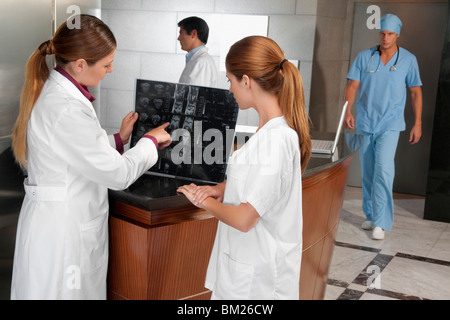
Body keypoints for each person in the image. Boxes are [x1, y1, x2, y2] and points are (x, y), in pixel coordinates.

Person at [10, 14, 172, 300]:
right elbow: (118, 175)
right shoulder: (67, 107)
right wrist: (149, 142)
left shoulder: (59, 95)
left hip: (54, 227)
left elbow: (72, 152)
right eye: (107, 64)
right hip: (63, 236)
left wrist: (118, 140)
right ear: (81, 64)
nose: (111, 69)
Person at [177, 36, 311, 300]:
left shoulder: (277, 139)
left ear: (247, 81)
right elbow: (260, 186)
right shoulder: (268, 132)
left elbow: (245, 218)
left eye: (230, 80)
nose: (229, 89)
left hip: (258, 282)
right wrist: (220, 190)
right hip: (244, 270)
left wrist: (202, 200)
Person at [344, 14, 423, 240]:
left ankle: (382, 222)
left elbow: (416, 92)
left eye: (390, 34)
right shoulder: (364, 57)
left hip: (390, 124)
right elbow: (352, 86)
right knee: (368, 171)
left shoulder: (408, 59)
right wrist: (348, 110)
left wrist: (417, 123)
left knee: (384, 170)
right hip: (366, 121)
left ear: (397, 34)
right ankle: (369, 215)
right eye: (382, 33)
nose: (385, 38)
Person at [177, 16, 218, 87]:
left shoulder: (201, 62)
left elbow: (195, 96)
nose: (178, 38)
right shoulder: (198, 60)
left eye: (181, 33)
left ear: (193, 34)